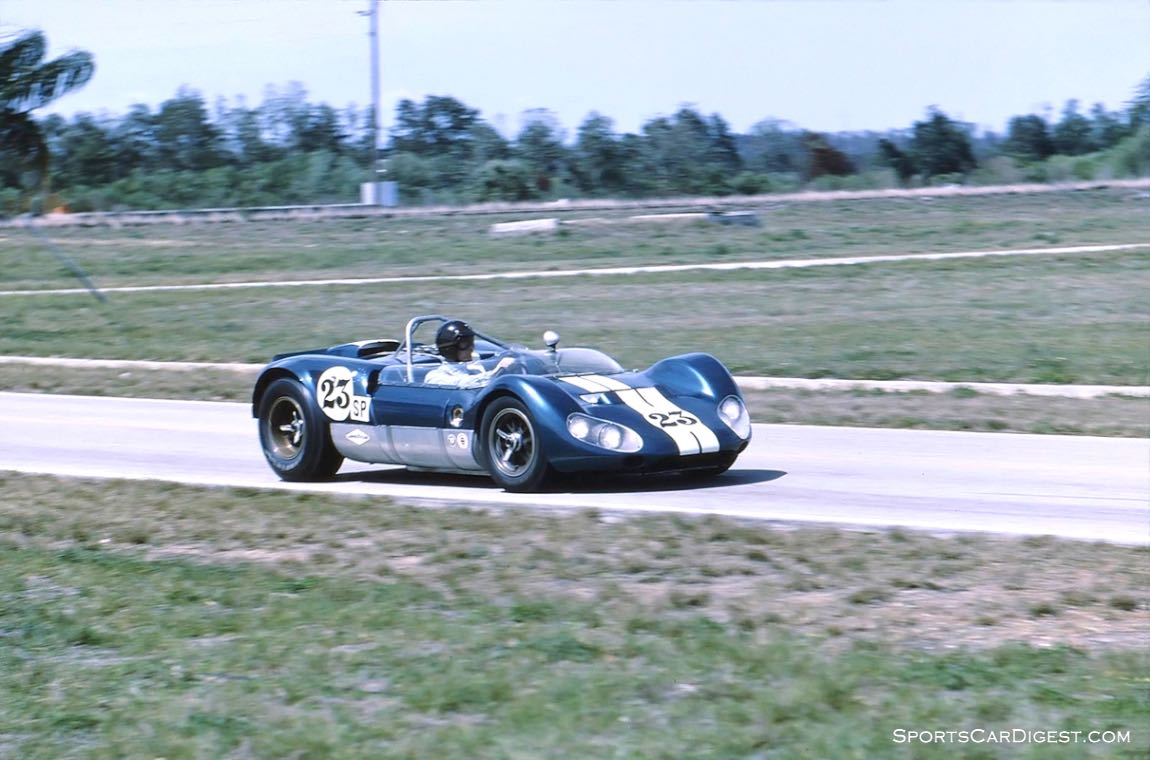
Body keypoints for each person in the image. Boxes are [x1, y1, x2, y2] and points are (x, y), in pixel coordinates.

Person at [423, 320, 515, 388]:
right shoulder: (436, 376)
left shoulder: (475, 367)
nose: (471, 348)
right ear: (450, 349)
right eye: (465, 344)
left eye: (471, 343)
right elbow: (464, 384)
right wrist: (496, 372)